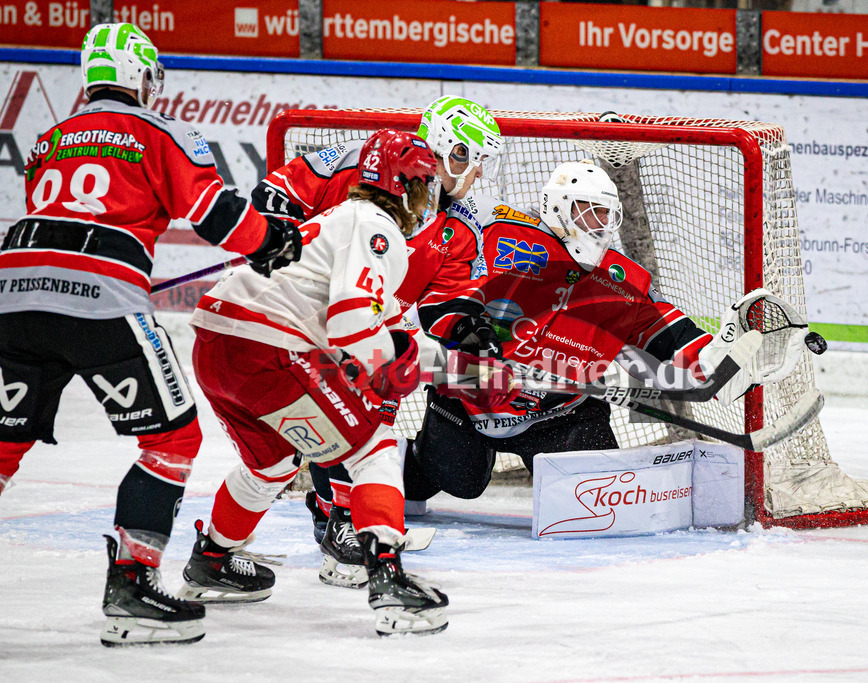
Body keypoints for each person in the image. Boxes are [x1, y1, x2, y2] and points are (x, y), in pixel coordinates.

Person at [0, 23, 301, 647]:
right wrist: (270, 240)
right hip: (101, 299)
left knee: (1, 447)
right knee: (174, 437)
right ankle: (134, 582)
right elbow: (217, 213)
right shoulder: (164, 131)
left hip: (10, 293)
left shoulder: (51, 138)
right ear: (141, 76)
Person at [182, 128, 450, 637]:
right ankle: (388, 578)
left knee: (273, 462)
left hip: (214, 341)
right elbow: (354, 326)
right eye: (423, 184)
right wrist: (401, 361)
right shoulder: (379, 228)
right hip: (266, 347)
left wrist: (420, 351)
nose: (428, 197)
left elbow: (375, 318)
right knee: (372, 444)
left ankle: (211, 560)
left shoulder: (336, 217)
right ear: (405, 185)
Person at [252, 96, 512, 588]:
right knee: (293, 440)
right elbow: (275, 194)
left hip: (363, 321)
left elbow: (447, 304)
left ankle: (340, 525)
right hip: (295, 315)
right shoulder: (360, 160)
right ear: (446, 150)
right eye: (471, 159)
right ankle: (328, 525)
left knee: (375, 401)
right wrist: (273, 237)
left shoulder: (459, 226)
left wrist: (467, 332)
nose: (477, 175)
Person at [401, 159, 773, 504]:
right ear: (558, 208)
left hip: (561, 416)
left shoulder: (621, 279)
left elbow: (673, 340)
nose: (600, 226)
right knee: (451, 481)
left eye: (607, 216)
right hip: (469, 404)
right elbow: (438, 292)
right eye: (590, 212)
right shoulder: (497, 236)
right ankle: (373, 466)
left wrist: (724, 366)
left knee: (597, 497)